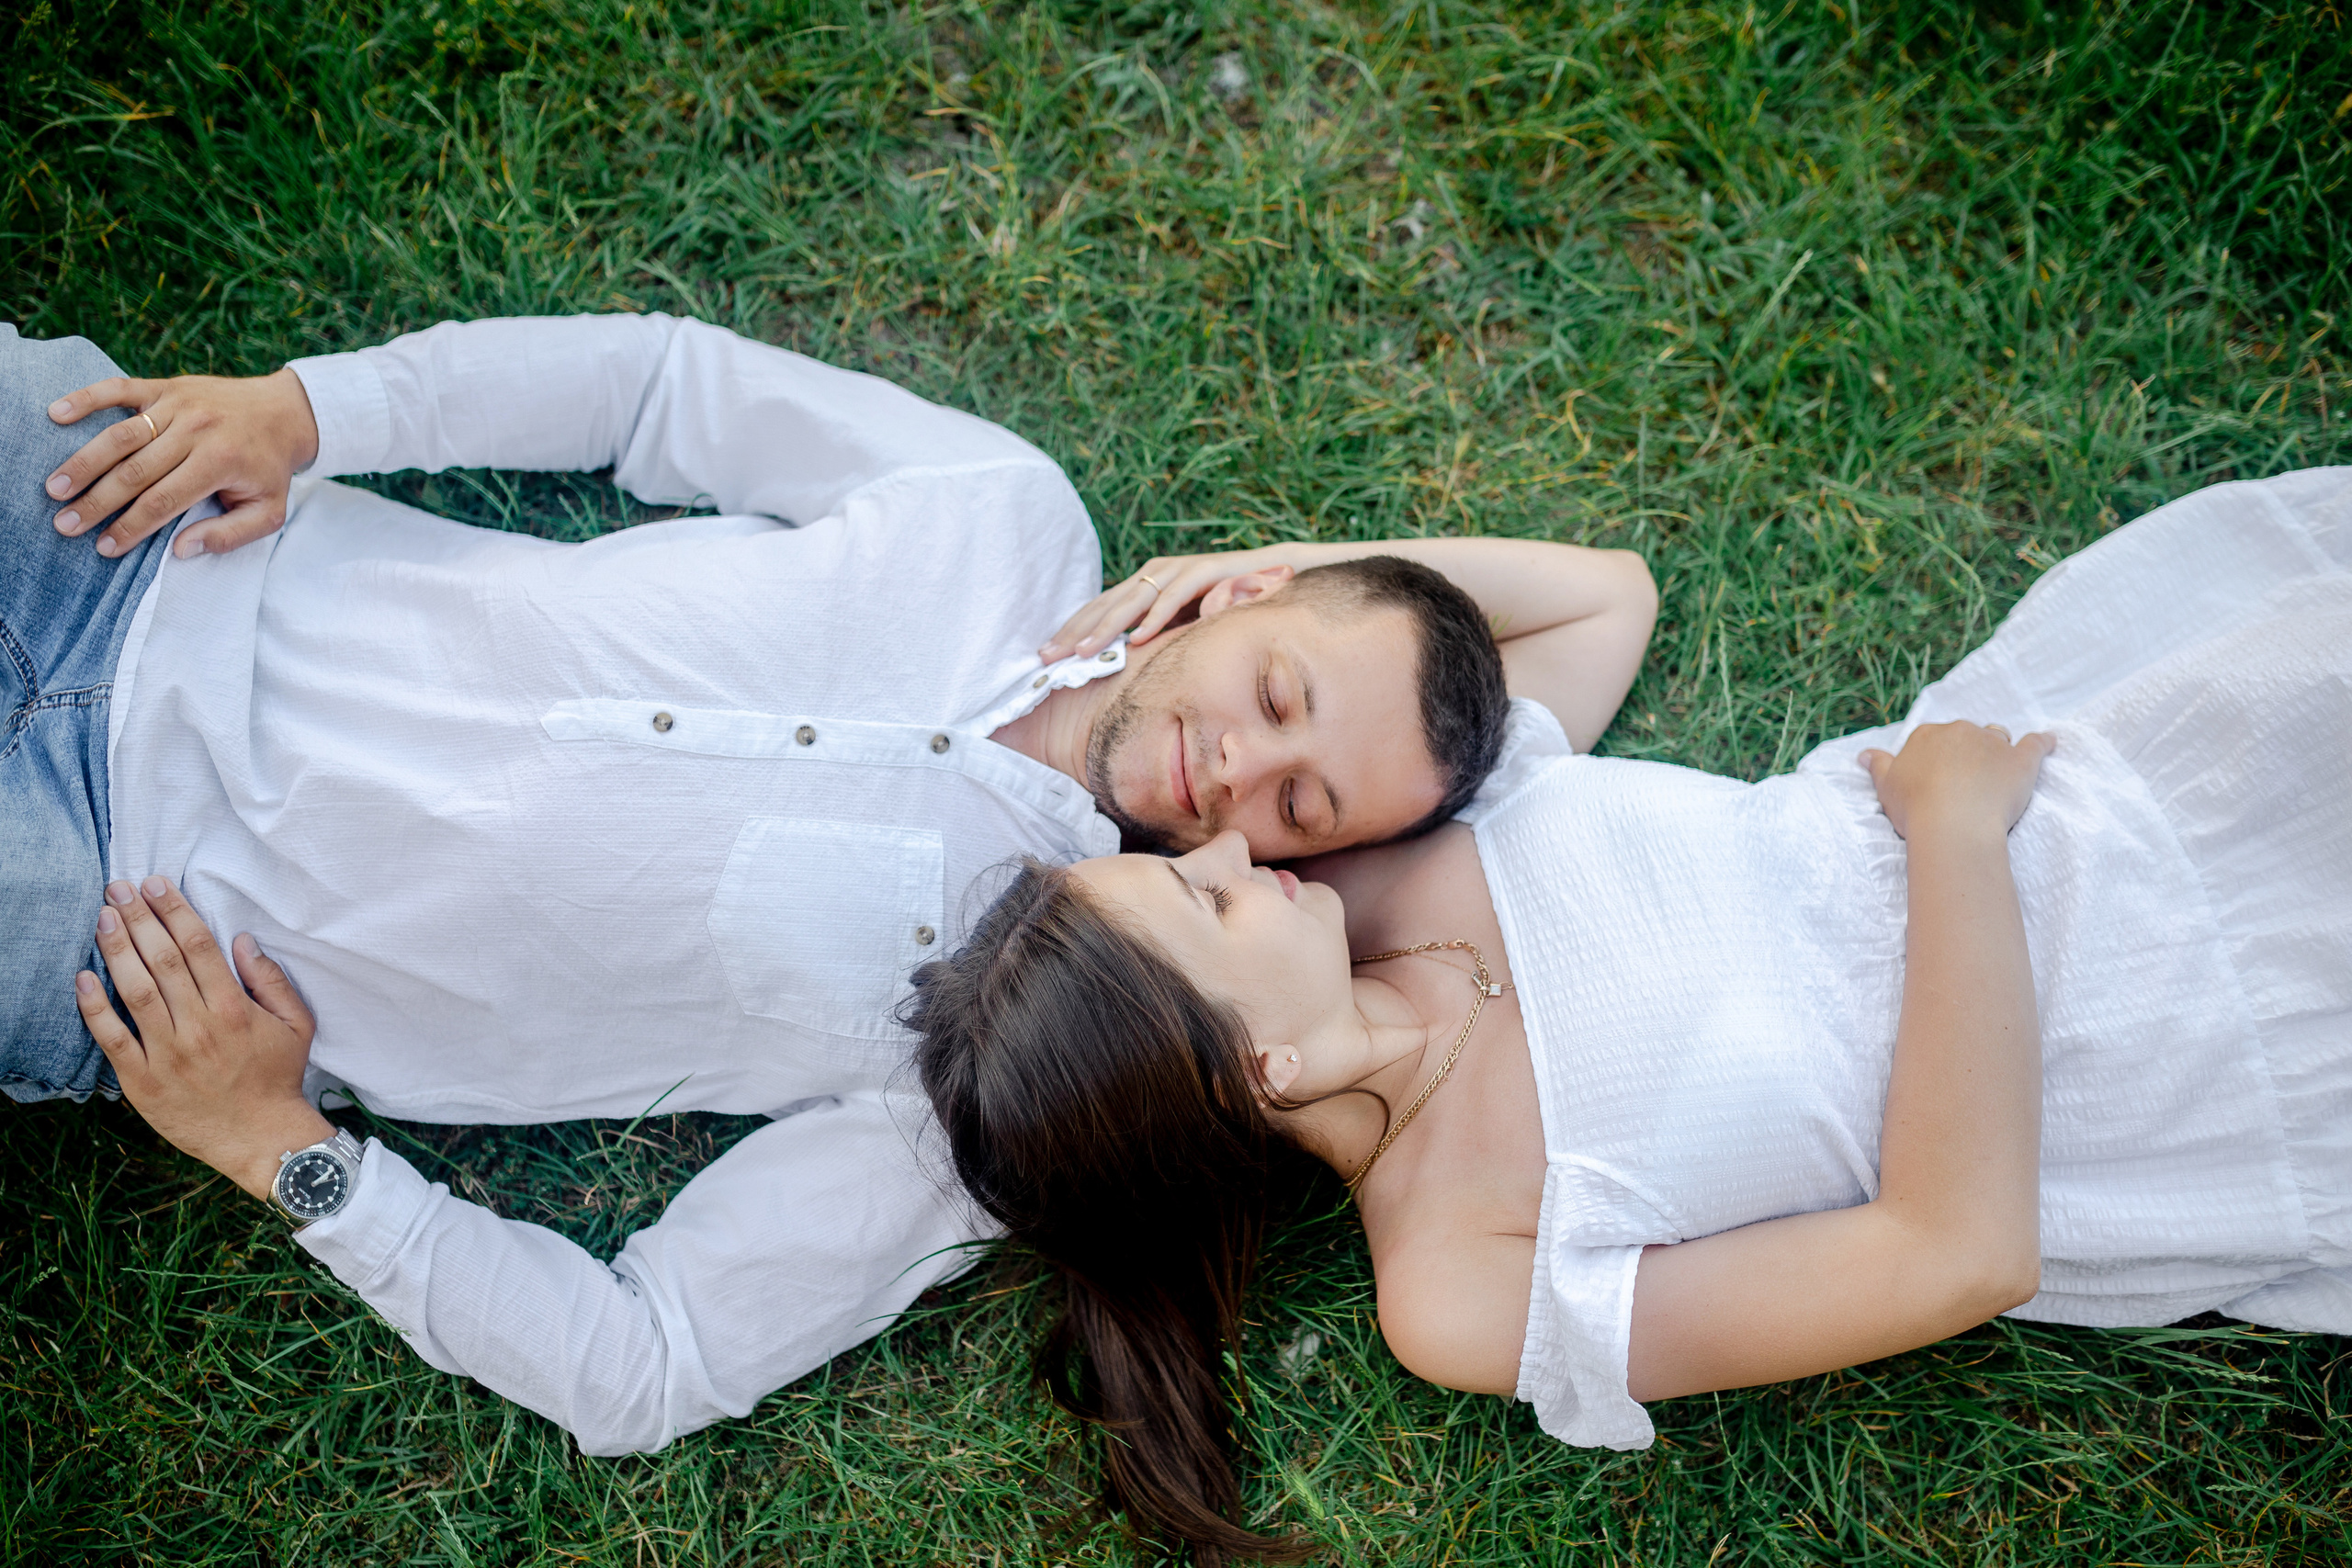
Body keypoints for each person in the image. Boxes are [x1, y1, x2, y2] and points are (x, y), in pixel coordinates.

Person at [1, 317, 1657, 1454]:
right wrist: (316, 411)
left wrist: (281, 1155)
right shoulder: (1002, 516)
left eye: (1305, 805)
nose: (1240, 774)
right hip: (155, 536)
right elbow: (662, 388)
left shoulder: (1032, 1034)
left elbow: (645, 1364)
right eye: (1278, 692)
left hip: (111, 912)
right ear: (1248, 589)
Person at [909, 468, 2352, 1563]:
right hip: (2185, 1043)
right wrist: (1957, 847)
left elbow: (1603, 592)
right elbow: (1955, 1250)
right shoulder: (1456, 1283)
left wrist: (1275, 590)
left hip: (2110, 780)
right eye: (1206, 903)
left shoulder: (1392, 858)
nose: (1231, 850)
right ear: (1254, 1066)